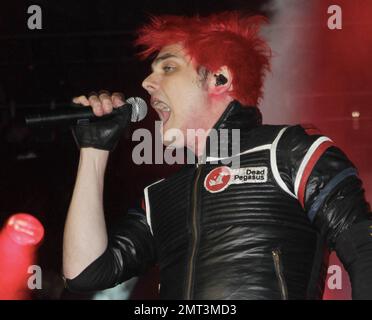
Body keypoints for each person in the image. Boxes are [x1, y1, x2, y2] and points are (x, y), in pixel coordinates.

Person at [62, 11, 372, 299]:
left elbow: (363, 247)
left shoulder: (289, 149)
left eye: (168, 67)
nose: (147, 83)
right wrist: (93, 149)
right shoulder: (160, 195)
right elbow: (84, 275)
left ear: (219, 79)